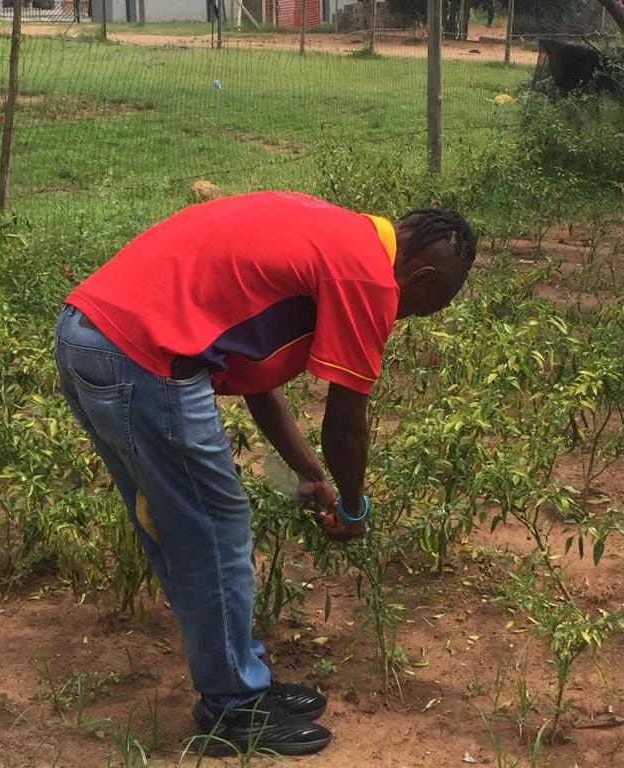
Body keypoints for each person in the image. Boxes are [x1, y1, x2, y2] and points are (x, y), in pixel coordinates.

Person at [53, 191, 477, 756]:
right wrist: (353, 508)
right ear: (420, 278)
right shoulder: (370, 278)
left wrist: (309, 475)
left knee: (181, 527)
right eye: (419, 309)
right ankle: (232, 707)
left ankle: (236, 681)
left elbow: (257, 381)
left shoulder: (334, 232)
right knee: (213, 530)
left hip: (89, 335)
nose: (401, 318)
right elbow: (347, 422)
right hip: (143, 359)